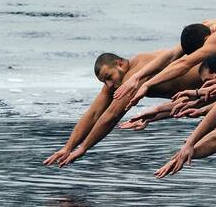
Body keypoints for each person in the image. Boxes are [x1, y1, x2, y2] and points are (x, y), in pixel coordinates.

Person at [44, 45, 204, 166]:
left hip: (215, 73)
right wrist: (68, 147)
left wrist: (83, 148)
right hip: (201, 93)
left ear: (120, 64)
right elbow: (93, 114)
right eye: (104, 81)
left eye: (109, 77)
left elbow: (112, 115)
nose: (109, 84)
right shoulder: (116, 80)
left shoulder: (134, 75)